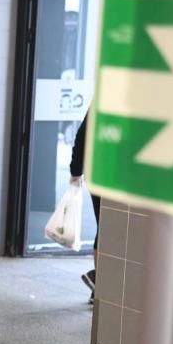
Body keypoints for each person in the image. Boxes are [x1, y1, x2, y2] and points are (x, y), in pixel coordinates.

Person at [69, 112, 101, 304]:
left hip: (97, 172)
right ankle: (99, 281)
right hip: (108, 175)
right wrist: (75, 170)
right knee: (107, 227)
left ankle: (98, 283)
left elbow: (82, 135)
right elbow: (83, 135)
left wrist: (76, 170)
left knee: (104, 226)